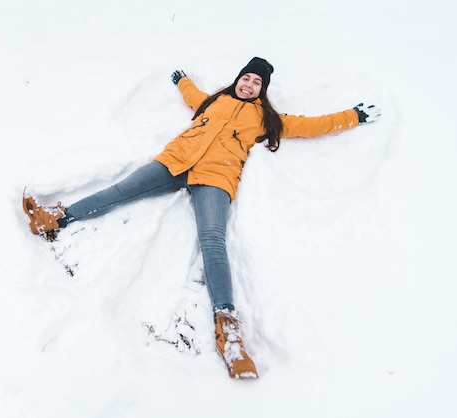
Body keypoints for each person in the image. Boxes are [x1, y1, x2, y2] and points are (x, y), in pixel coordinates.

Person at [22, 57, 381, 379]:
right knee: (120, 190)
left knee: (213, 241)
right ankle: (55, 218)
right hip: (175, 162)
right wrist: (181, 81)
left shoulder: (267, 119)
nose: (249, 85)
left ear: (262, 91)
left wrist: (353, 116)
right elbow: (192, 95)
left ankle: (229, 329)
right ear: (238, 80)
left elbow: (312, 125)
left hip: (216, 178)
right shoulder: (214, 101)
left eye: (257, 83)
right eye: (246, 78)